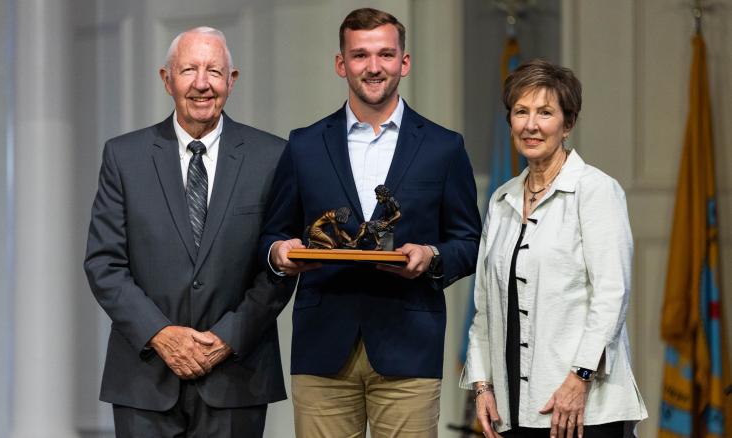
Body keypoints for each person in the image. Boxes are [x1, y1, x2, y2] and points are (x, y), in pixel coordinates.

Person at [260, 7, 481, 437]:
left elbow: (469, 241)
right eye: (360, 55)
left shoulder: (444, 147)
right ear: (341, 64)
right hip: (322, 347)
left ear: (404, 61)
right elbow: (272, 232)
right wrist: (278, 253)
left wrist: (431, 255)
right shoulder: (304, 145)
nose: (373, 67)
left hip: (409, 344)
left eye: (385, 54)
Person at [84, 27, 293, 437]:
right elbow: (104, 263)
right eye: (189, 70)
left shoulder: (273, 157)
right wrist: (160, 334)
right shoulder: (124, 156)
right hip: (144, 377)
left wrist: (226, 338)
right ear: (167, 79)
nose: (202, 84)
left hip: (237, 375)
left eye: (214, 71)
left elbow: (281, 267)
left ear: (231, 81)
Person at [461, 59, 648, 438]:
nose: (531, 125)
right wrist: (482, 385)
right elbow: (485, 308)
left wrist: (579, 378)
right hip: (514, 408)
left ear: (568, 124)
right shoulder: (501, 200)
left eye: (545, 112)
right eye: (521, 112)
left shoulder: (596, 191)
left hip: (586, 407)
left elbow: (611, 296)